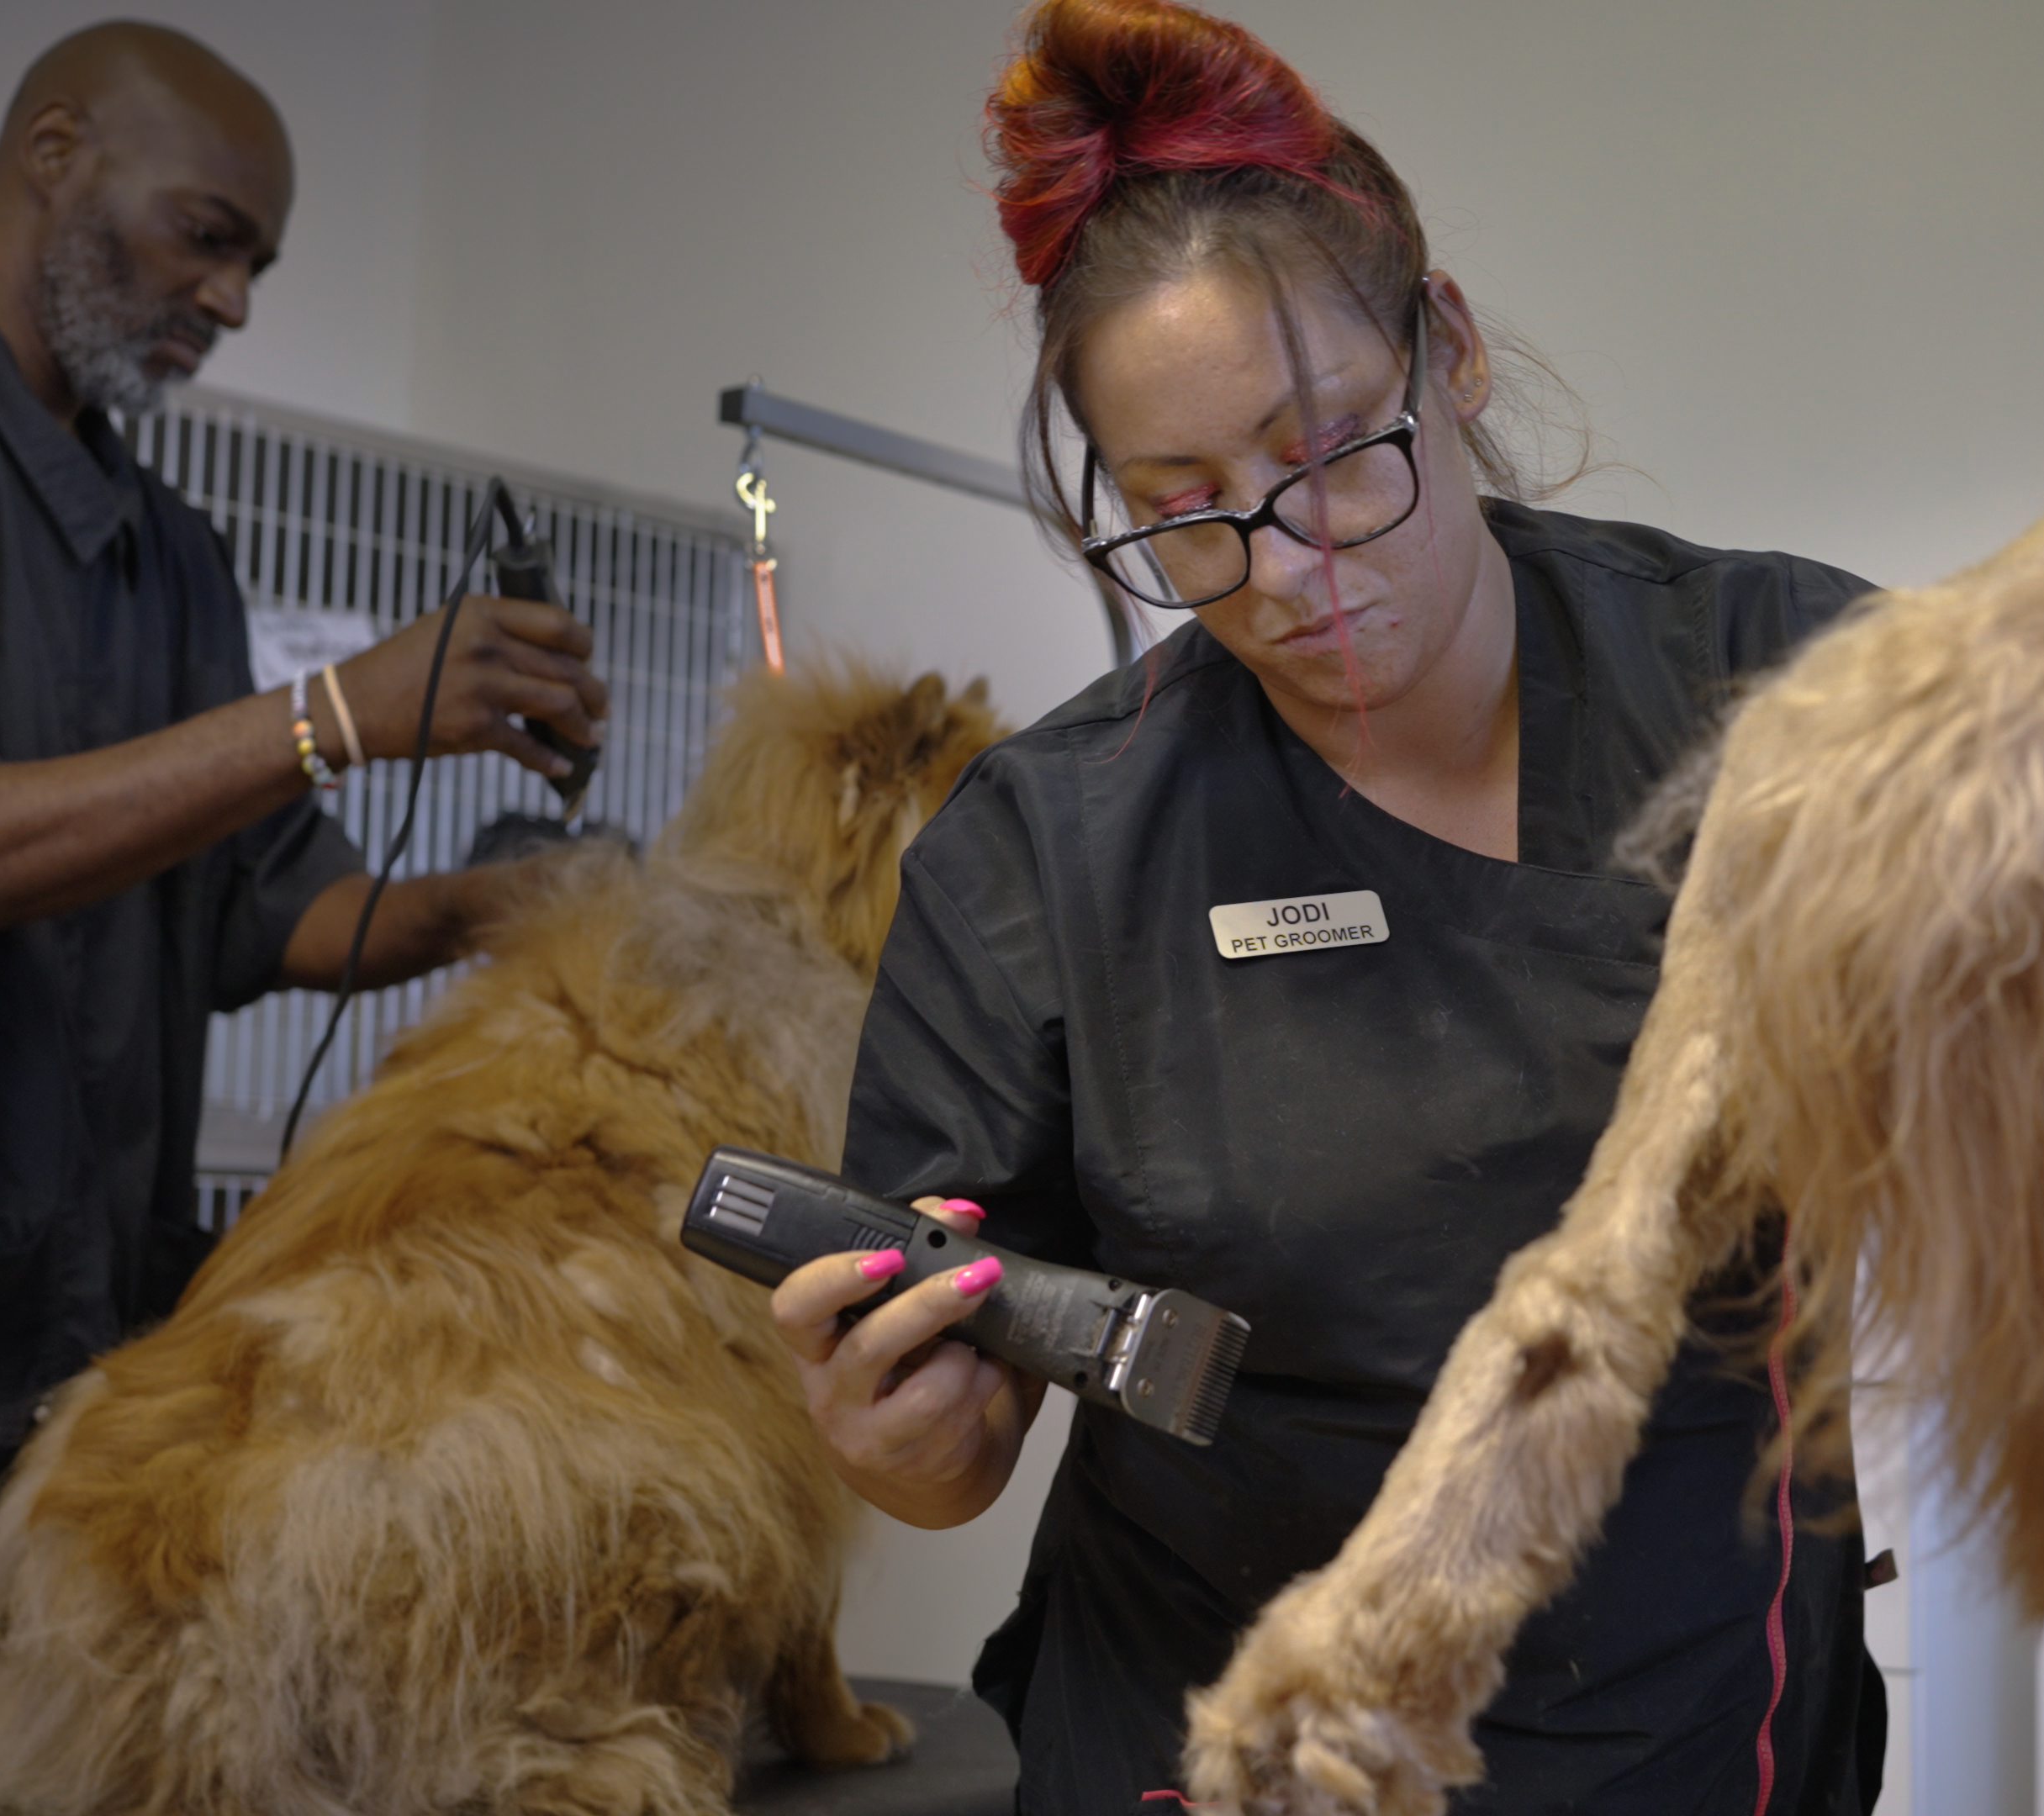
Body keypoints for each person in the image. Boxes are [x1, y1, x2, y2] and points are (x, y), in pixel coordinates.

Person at [770, 3, 1884, 1808]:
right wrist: (904, 1435)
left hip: (1681, 1714)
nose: (1282, 571)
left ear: (1446, 353)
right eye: (1182, 513)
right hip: (1214, 1730)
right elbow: (951, 1439)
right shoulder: (1048, 846)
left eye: (1333, 449)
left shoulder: (1780, 680)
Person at [0, 23, 608, 1713]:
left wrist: (501, 905)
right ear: (54, 155)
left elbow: (270, 909)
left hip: (90, 1390)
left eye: (258, 264)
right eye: (206, 234)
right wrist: (335, 710)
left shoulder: (172, 553)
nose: (231, 300)